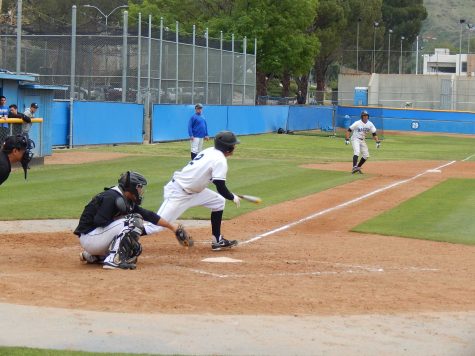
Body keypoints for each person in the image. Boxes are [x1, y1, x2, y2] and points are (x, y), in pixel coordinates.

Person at [74, 171, 190, 270]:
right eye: (139, 187)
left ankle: (95, 256)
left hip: (96, 239)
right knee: (134, 221)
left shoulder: (125, 199)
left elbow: (148, 215)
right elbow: (99, 221)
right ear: (132, 187)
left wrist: (172, 227)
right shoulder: (112, 197)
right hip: (90, 237)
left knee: (134, 248)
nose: (141, 191)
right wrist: (122, 219)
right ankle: (113, 260)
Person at [147, 130, 241, 251]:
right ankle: (123, 235)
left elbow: (206, 174)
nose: (234, 147)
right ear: (227, 148)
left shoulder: (210, 151)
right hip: (178, 193)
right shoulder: (220, 160)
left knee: (218, 202)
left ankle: (217, 241)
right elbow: (220, 186)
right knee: (155, 227)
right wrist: (232, 197)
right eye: (233, 145)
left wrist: (229, 195)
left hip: (194, 192)